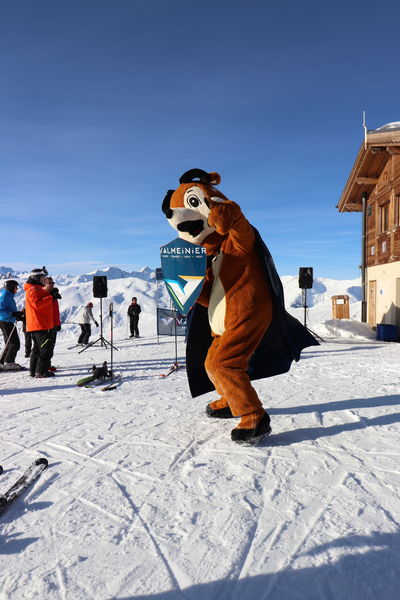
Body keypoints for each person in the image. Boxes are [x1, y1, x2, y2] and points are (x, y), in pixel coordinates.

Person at [24, 267, 55, 378]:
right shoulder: (33, 289)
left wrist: (49, 294)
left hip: (39, 323)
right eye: (43, 277)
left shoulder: (36, 288)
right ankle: (41, 372)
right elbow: (37, 304)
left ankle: (34, 371)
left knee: (38, 348)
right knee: (46, 348)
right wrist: (50, 297)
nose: (45, 279)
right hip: (39, 323)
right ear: (36, 277)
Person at [0, 280, 24, 370]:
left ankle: (2, 363)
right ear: (11, 288)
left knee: (9, 343)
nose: (17, 289)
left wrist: (17, 315)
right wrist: (13, 314)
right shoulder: (5, 296)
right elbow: (1, 310)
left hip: (7, 321)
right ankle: (9, 362)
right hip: (5, 321)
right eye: (16, 287)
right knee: (14, 343)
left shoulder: (8, 296)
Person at [45, 277, 62, 371]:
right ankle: (44, 366)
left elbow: (56, 312)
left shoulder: (53, 295)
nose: (52, 284)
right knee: (47, 347)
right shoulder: (45, 295)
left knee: (51, 346)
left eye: (53, 283)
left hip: (54, 324)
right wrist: (50, 296)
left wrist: (58, 323)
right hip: (47, 325)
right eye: (50, 283)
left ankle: (47, 364)